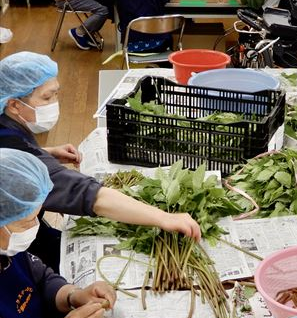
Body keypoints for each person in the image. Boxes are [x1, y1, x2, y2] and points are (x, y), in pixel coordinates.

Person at [0, 51, 201, 272]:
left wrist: (46, 153)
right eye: (47, 97)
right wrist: (163, 218)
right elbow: (83, 193)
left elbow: (15, 156)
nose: (54, 103)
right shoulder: (9, 144)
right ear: (15, 105)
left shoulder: (7, 125)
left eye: (57, 94)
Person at [0, 148, 117, 318]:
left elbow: (42, 280)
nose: (35, 226)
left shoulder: (9, 252)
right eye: (25, 223)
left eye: (36, 217)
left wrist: (73, 296)